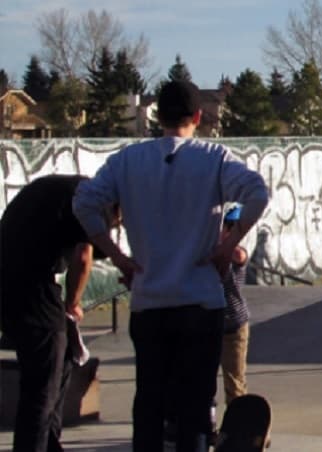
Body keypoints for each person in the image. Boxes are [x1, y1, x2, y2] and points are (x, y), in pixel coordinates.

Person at [73, 80, 270, 452]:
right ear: (197, 116)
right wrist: (227, 246)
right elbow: (258, 193)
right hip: (200, 300)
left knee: (150, 402)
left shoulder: (127, 161)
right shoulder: (213, 158)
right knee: (195, 407)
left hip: (149, 301)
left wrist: (117, 256)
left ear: (157, 117)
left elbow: (83, 203)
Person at [1, 175, 119, 452]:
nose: (117, 226)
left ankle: (50, 444)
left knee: (62, 357)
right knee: (42, 385)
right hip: (32, 288)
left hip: (10, 281)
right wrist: (73, 304)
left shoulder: (69, 189)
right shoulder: (94, 203)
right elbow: (83, 257)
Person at [218, 206, 251, 404]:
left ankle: (238, 416)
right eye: (227, 226)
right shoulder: (213, 249)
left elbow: (238, 255)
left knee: (234, 381)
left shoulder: (238, 253)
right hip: (212, 322)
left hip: (235, 326)